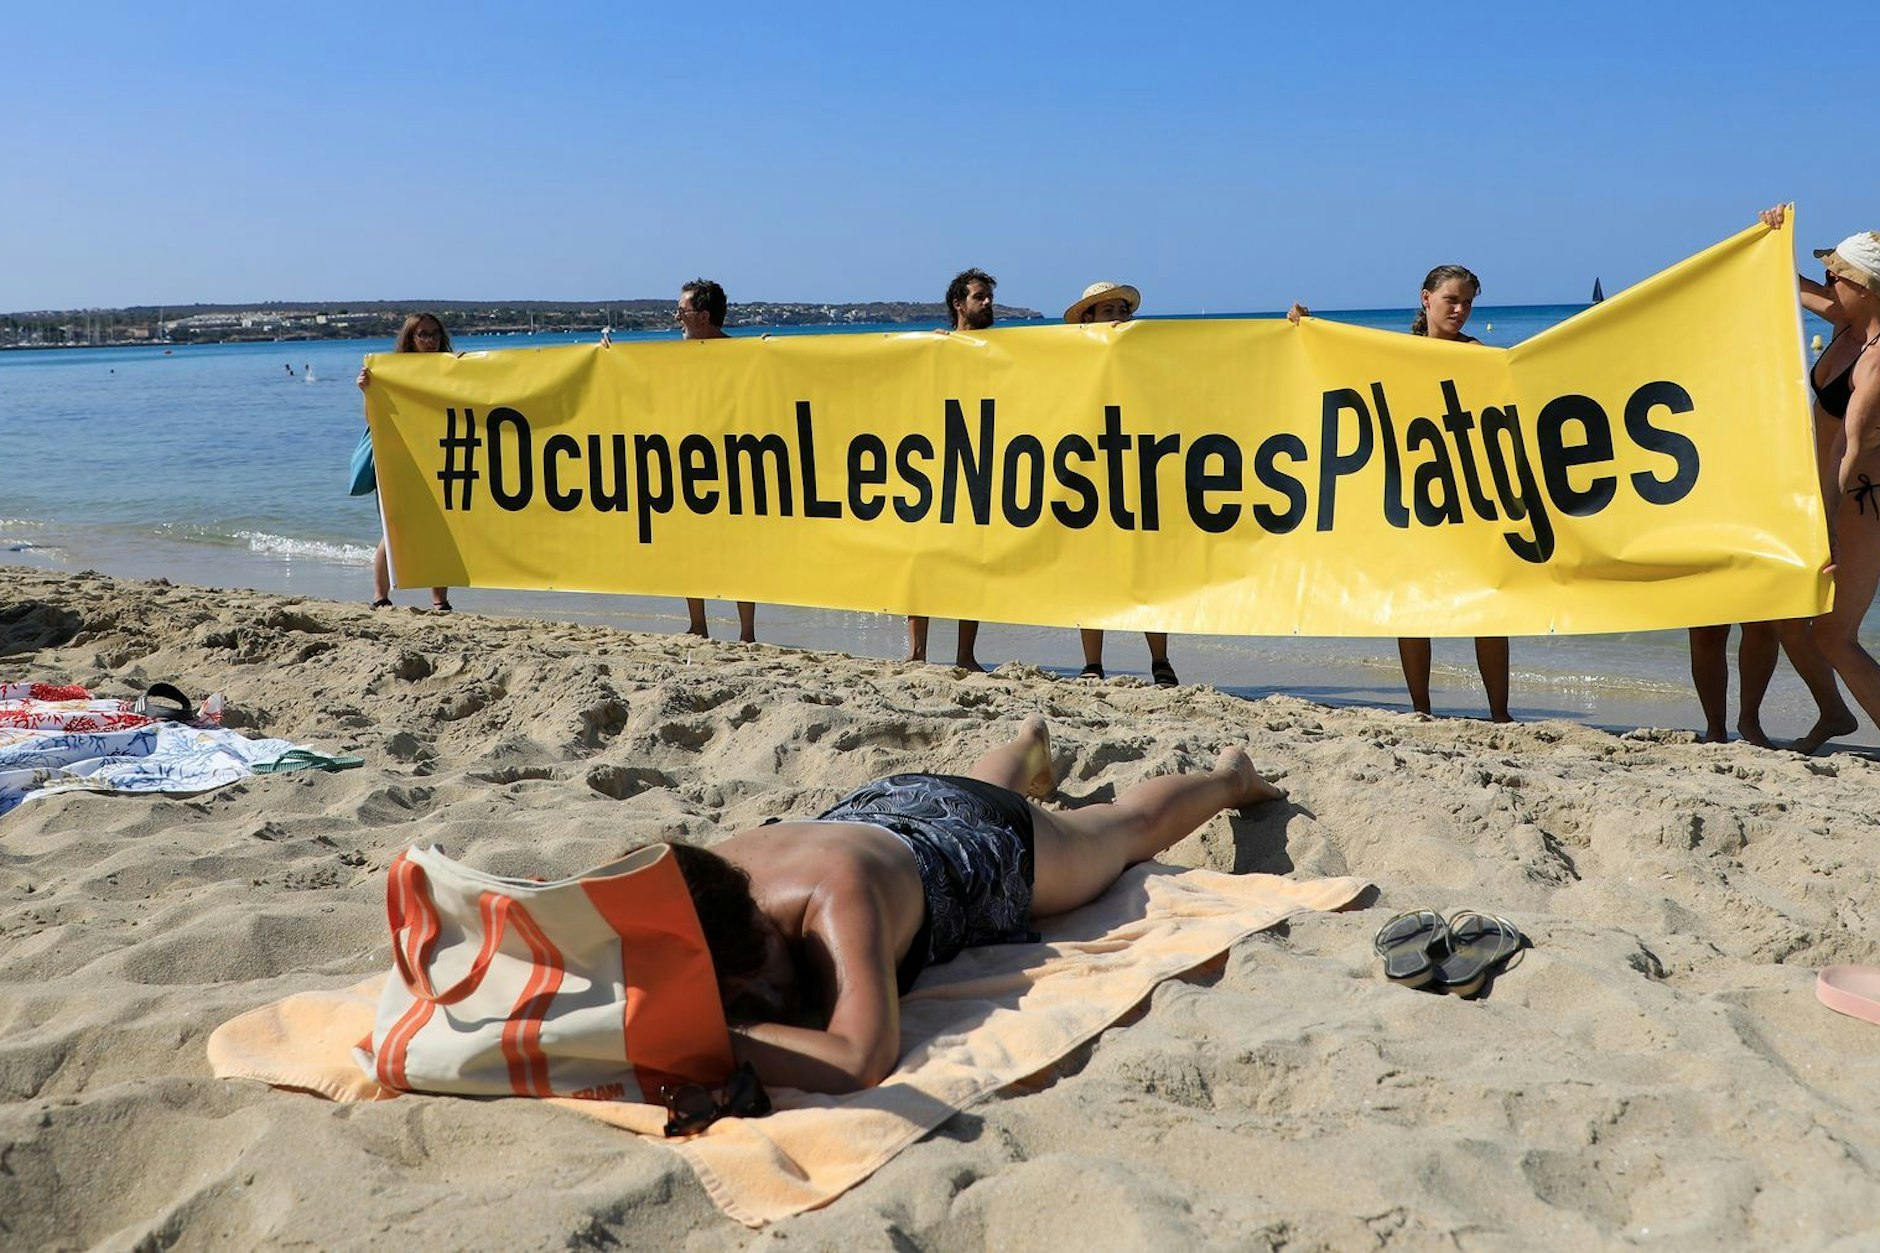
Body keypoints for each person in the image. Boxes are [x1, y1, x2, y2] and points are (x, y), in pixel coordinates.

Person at [660, 716, 1285, 1093]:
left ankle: (1230, 777)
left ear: (759, 932)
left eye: (754, 992)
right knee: (974, 785)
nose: (763, 1007)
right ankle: (1027, 742)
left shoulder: (833, 900)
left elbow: (858, 1060)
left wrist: (701, 1037)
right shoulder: (706, 878)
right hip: (879, 809)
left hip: (982, 845)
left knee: (1119, 831)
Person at [1768, 211, 1880, 745]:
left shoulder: (1876, 360)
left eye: (1838, 277)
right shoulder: (1845, 324)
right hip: (1823, 496)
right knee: (1790, 609)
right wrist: (1770, 239)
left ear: (1867, 288)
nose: (1829, 284)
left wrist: (1829, 525)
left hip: (1859, 502)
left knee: (1836, 634)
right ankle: (1835, 714)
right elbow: (1783, 283)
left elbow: (1848, 447)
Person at [1398, 266, 1513, 722]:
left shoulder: (1479, 355)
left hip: (1470, 495)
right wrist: (1302, 327)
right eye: (1452, 300)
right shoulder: (1394, 353)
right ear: (1427, 299)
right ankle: (1420, 708)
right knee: (1415, 607)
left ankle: (1500, 713)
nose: (1461, 310)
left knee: (1488, 605)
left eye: (1467, 302)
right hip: (1413, 495)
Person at [1063, 281, 1178, 687]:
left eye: (1122, 310)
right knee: (1091, 569)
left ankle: (1160, 661)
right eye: (1107, 309)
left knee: (1149, 569)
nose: (1117, 316)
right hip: (1088, 470)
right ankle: (1092, 663)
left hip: (1139, 466)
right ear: (1089, 318)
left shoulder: (1147, 355)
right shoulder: (1070, 358)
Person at [906, 268, 996, 671]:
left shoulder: (1005, 348)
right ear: (959, 304)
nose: (988, 303)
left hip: (981, 461)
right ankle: (916, 652)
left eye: (989, 296)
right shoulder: (934, 347)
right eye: (979, 297)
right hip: (934, 461)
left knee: (972, 560)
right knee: (921, 559)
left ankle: (965, 655)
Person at [675, 278, 759, 644]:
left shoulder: (740, 354)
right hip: (690, 460)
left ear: (704, 315)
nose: (677, 317)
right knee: (690, 542)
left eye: (682, 311)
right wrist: (608, 356)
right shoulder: (674, 356)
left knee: (741, 548)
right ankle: (698, 624)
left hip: (735, 460)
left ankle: (747, 632)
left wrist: (771, 353)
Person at [355, 313, 454, 612]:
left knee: (443, 527)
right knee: (393, 527)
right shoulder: (390, 372)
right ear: (409, 339)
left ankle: (440, 600)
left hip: (437, 455)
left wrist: (467, 369)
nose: (430, 340)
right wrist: (367, 391)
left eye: (435, 333)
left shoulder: (452, 368)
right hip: (398, 458)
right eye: (422, 334)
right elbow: (373, 421)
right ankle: (380, 596)